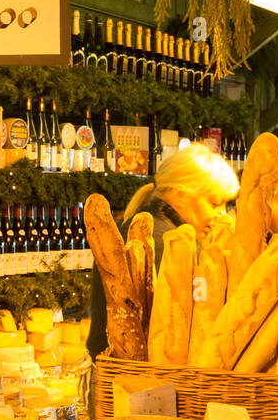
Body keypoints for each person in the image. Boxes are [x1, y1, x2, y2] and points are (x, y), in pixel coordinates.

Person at [86, 143, 240, 363]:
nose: (222, 214)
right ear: (179, 196)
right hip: (138, 379)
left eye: (226, 205)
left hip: (106, 369)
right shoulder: (174, 247)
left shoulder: (135, 225)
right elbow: (199, 319)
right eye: (215, 203)